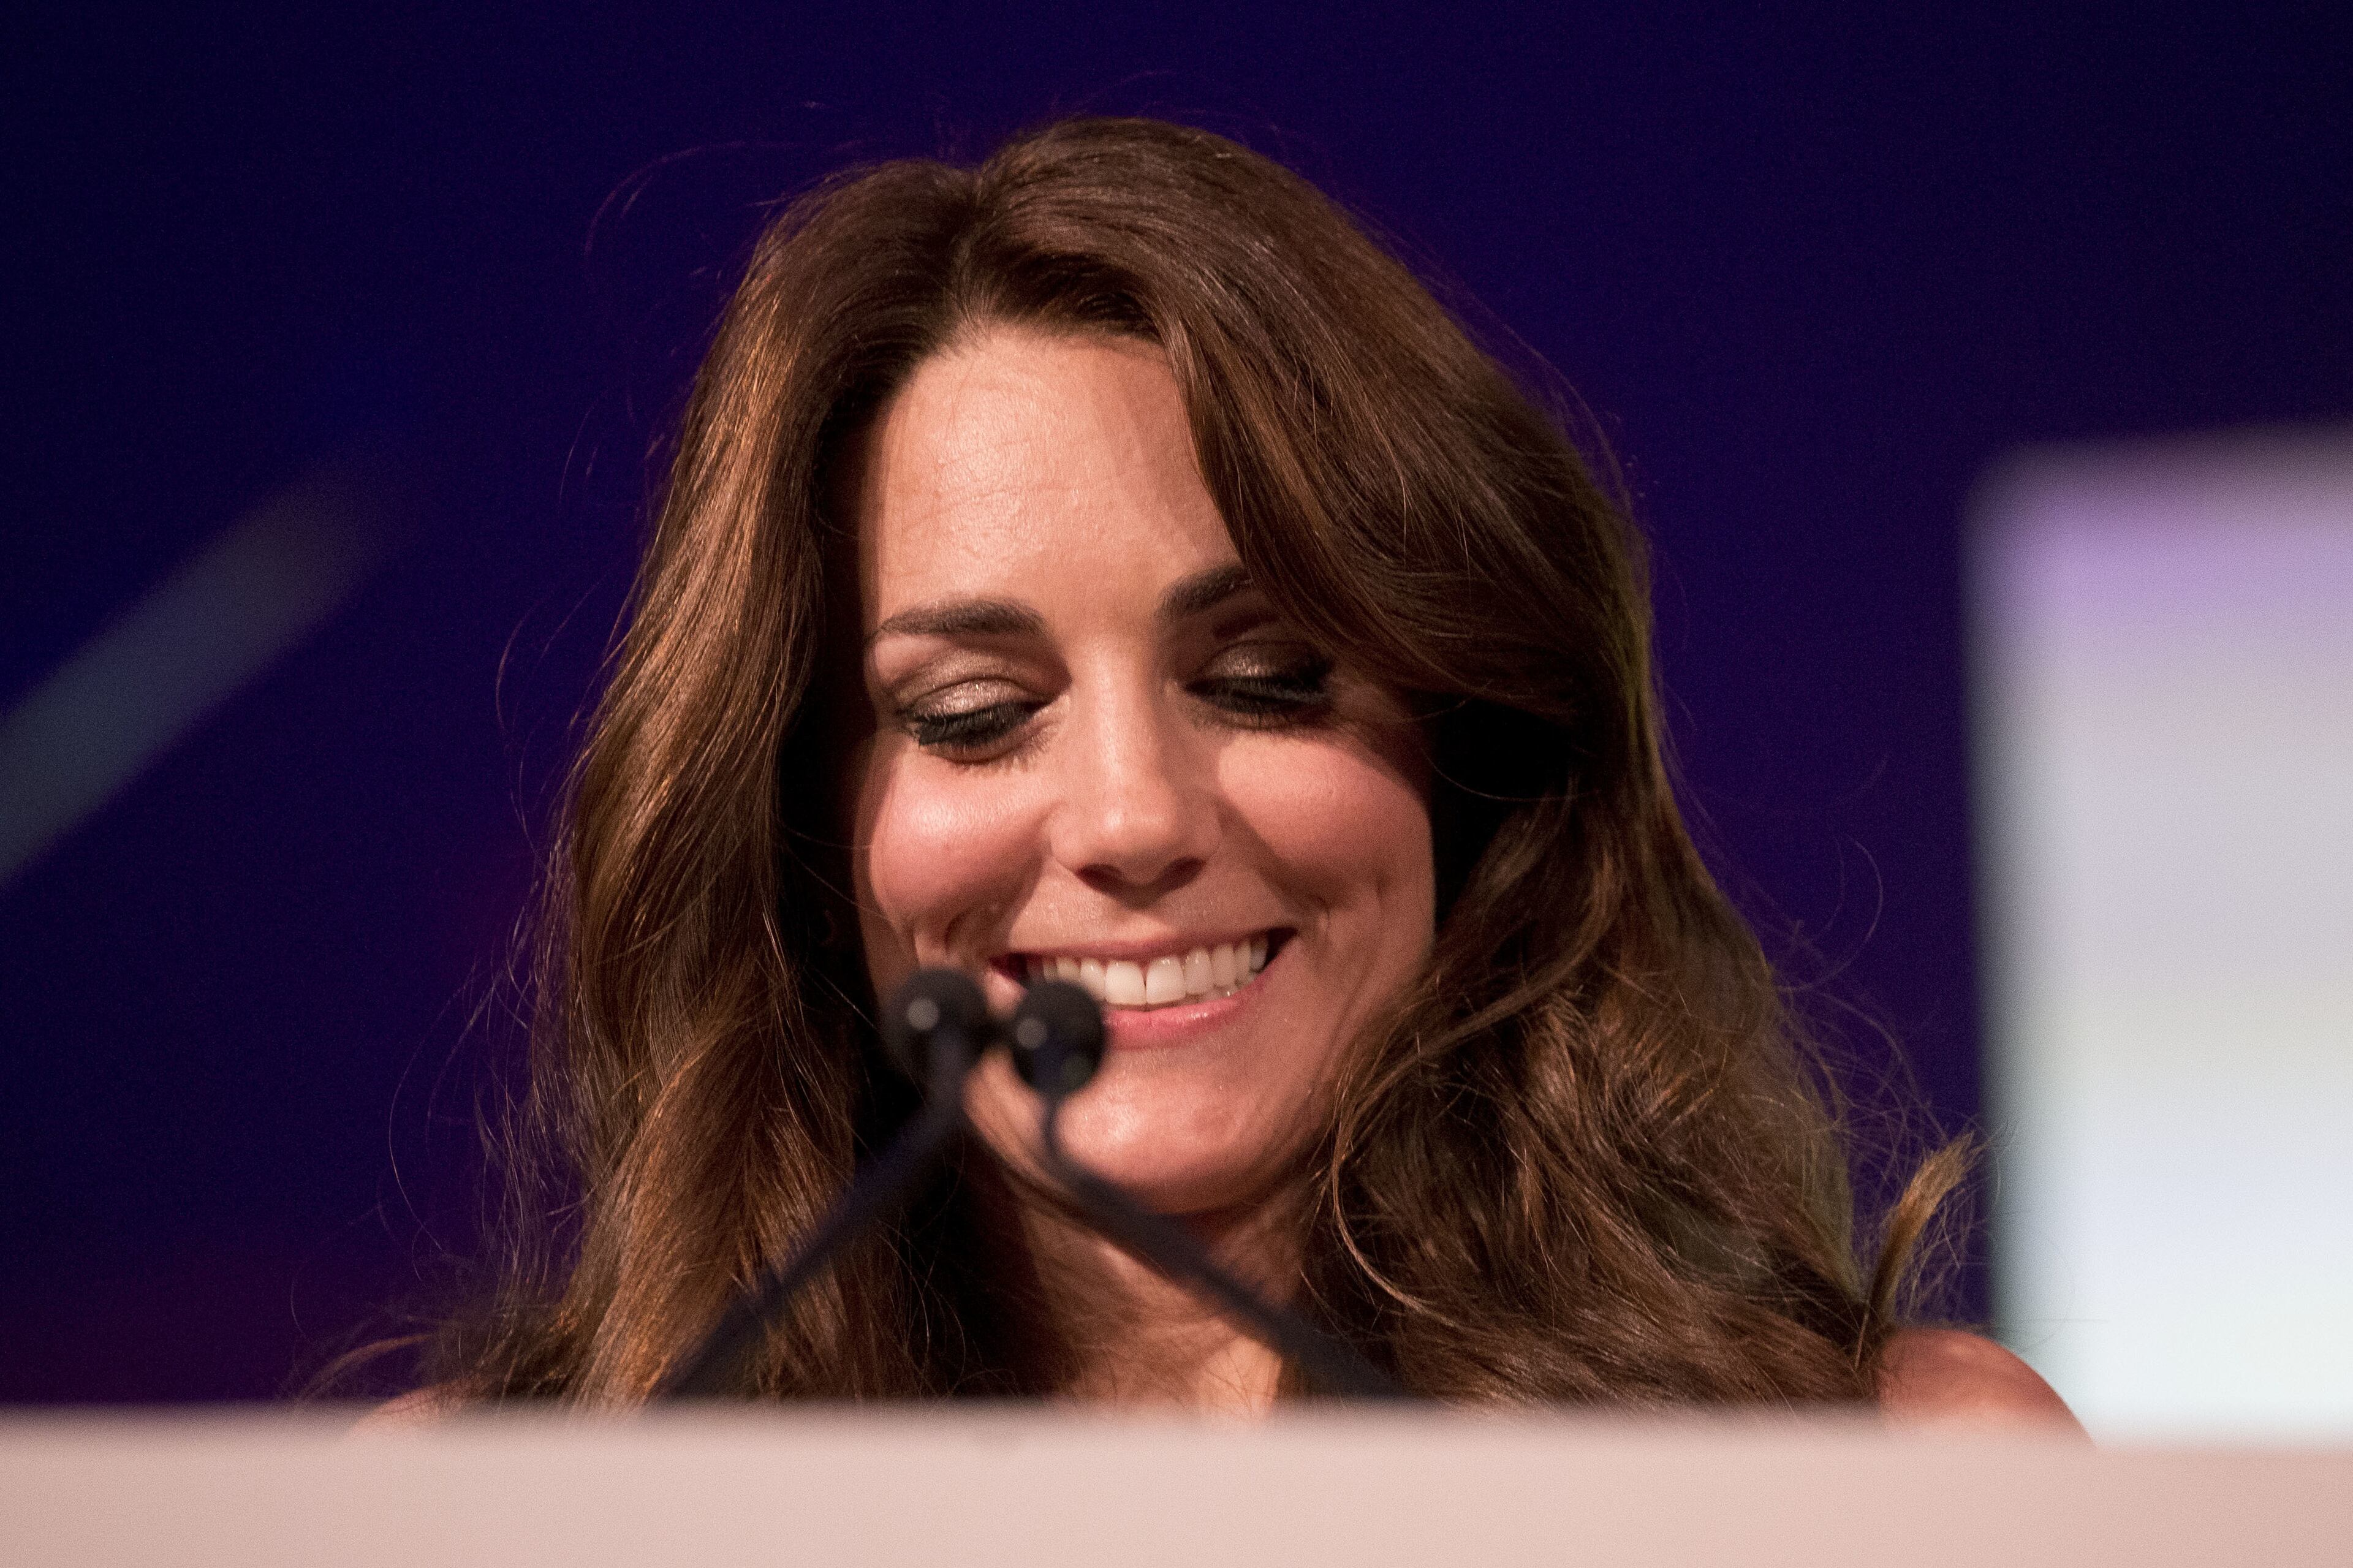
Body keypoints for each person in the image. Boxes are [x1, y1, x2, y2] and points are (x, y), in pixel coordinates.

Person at [400, 116, 2075, 1425]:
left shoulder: (1886, 1481)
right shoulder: (503, 1511)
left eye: (1267, 682)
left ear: (1469, 749)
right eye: (975, 712)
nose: (1135, 818)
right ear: (799, 822)